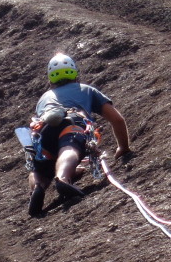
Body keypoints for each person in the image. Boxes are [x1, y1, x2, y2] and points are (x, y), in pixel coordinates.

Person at [27, 52, 131, 216]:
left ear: (50, 80)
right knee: (69, 149)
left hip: (43, 130)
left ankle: (38, 187)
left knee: (40, 168)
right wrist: (123, 147)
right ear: (76, 74)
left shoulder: (44, 97)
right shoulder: (87, 90)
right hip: (72, 121)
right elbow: (117, 120)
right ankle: (63, 178)